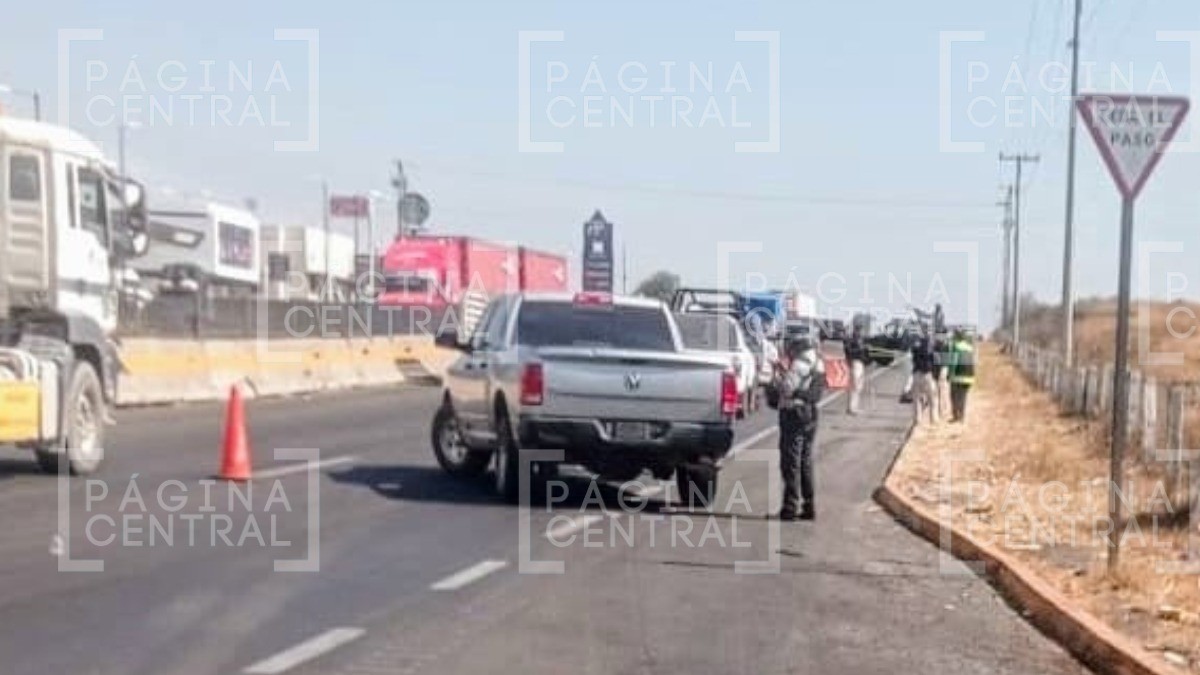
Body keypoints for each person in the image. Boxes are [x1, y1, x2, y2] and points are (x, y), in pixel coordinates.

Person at [774, 335, 825, 521]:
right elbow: (816, 394)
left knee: (790, 463)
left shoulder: (799, 365)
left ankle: (790, 507)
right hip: (810, 416)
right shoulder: (818, 363)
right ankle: (809, 505)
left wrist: (779, 377)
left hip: (793, 414)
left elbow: (787, 388)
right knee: (805, 461)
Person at [947, 328, 976, 423]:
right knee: (963, 397)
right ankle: (962, 417)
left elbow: (954, 362)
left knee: (954, 396)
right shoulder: (970, 347)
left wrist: (950, 374)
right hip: (969, 377)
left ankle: (956, 416)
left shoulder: (956, 346)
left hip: (958, 376)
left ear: (956, 336)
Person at [910, 329, 938, 425]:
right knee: (932, 398)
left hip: (917, 373)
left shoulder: (916, 346)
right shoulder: (931, 348)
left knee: (916, 398)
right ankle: (933, 419)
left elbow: (913, 357)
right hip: (927, 374)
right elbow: (935, 361)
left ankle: (917, 420)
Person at [843, 327, 869, 415]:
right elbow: (849, 352)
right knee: (855, 386)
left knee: (858, 387)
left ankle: (854, 407)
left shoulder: (860, 342)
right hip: (855, 363)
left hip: (860, 364)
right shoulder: (852, 342)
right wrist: (861, 350)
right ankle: (851, 408)